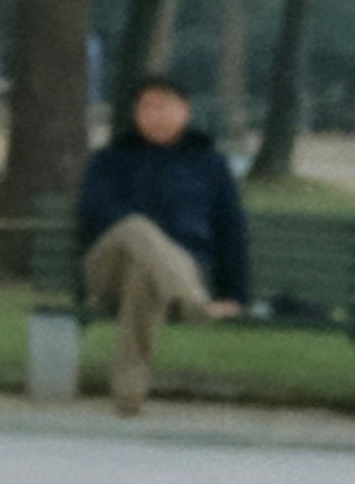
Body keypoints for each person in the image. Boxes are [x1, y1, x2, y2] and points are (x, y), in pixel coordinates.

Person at [71, 70, 255, 412]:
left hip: (178, 268)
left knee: (147, 276)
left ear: (185, 111)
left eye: (165, 106)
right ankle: (193, 300)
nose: (156, 115)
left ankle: (128, 395)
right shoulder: (110, 160)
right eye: (147, 107)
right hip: (111, 266)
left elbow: (231, 230)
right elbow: (96, 212)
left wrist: (235, 295)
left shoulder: (210, 165)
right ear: (135, 114)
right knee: (137, 228)